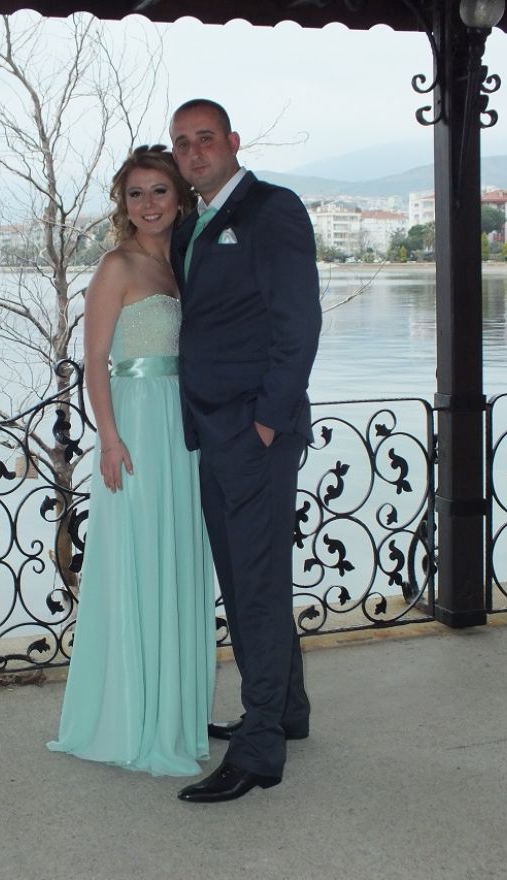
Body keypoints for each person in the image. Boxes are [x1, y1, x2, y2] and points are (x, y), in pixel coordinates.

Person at [169, 100, 321, 802]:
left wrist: (266, 421)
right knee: (246, 579)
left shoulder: (271, 209)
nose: (194, 153)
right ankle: (286, 709)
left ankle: (259, 750)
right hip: (212, 429)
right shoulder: (192, 225)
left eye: (205, 139)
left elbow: (299, 323)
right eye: (182, 143)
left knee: (255, 588)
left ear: (232, 141)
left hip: (253, 432)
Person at [47, 145, 216, 777]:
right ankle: (130, 715)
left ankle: (173, 710)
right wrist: (110, 439)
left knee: (175, 557)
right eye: (135, 193)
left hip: (182, 425)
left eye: (159, 191)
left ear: (179, 198)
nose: (148, 204)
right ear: (123, 203)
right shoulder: (115, 265)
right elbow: (95, 361)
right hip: (137, 428)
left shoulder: (183, 263)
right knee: (139, 558)